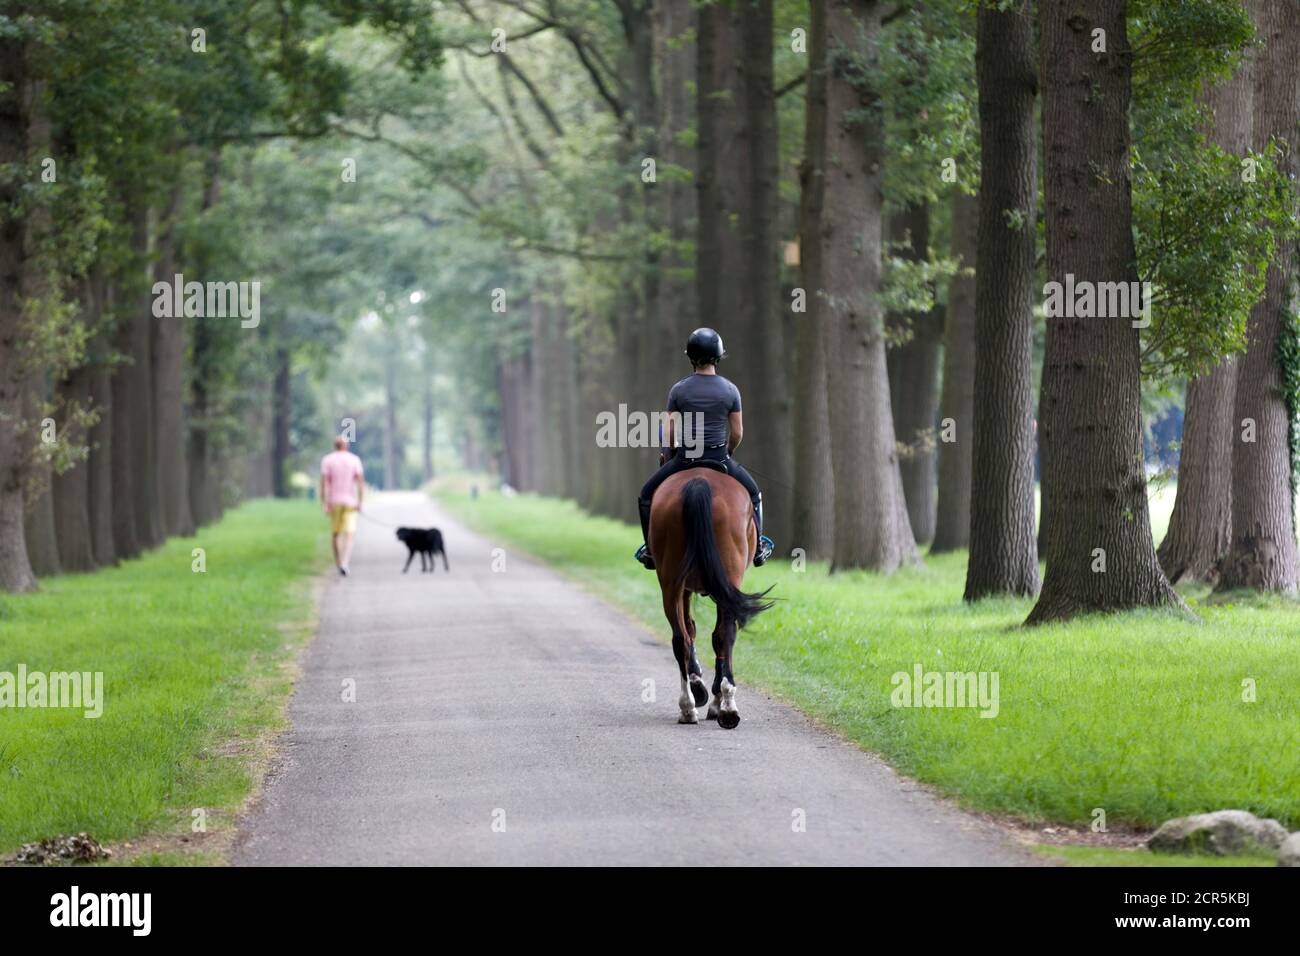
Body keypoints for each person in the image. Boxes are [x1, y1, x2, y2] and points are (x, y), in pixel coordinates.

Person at [634, 327, 774, 570]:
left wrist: (669, 456)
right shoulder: (731, 390)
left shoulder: (678, 390)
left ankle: (651, 550)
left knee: (646, 495)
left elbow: (668, 432)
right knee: (754, 494)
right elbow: (738, 432)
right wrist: (728, 451)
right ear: (718, 357)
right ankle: (759, 547)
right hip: (719, 458)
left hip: (686, 458)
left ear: (690, 357)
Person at [320, 436, 365, 576]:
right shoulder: (354, 460)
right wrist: (360, 502)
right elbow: (360, 483)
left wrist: (325, 502)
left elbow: (325, 483)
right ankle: (345, 563)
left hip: (334, 502)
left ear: (335, 445)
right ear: (346, 446)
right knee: (349, 534)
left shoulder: (327, 460)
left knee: (335, 534)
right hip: (350, 502)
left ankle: (339, 563)